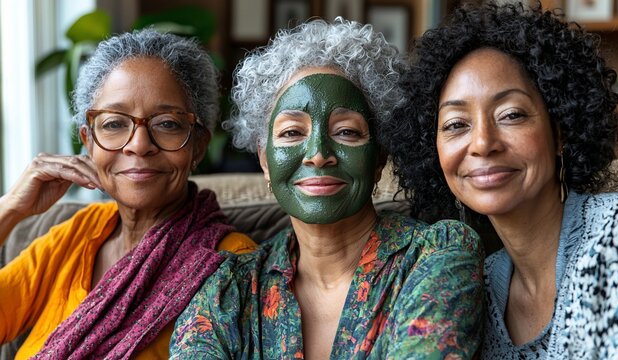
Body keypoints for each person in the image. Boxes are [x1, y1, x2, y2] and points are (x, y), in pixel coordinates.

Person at [169, 18, 484, 359]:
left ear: (379, 156)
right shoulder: (228, 291)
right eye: (292, 133)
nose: (318, 155)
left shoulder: (437, 256)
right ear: (264, 159)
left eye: (346, 131)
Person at [380, 2, 618, 359]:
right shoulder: (477, 289)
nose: (484, 143)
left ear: (560, 132)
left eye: (511, 115)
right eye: (456, 124)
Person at [0, 29, 255, 359]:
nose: (138, 145)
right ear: (88, 141)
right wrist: (10, 210)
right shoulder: (75, 236)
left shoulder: (233, 264)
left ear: (198, 145)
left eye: (166, 123)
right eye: (114, 123)